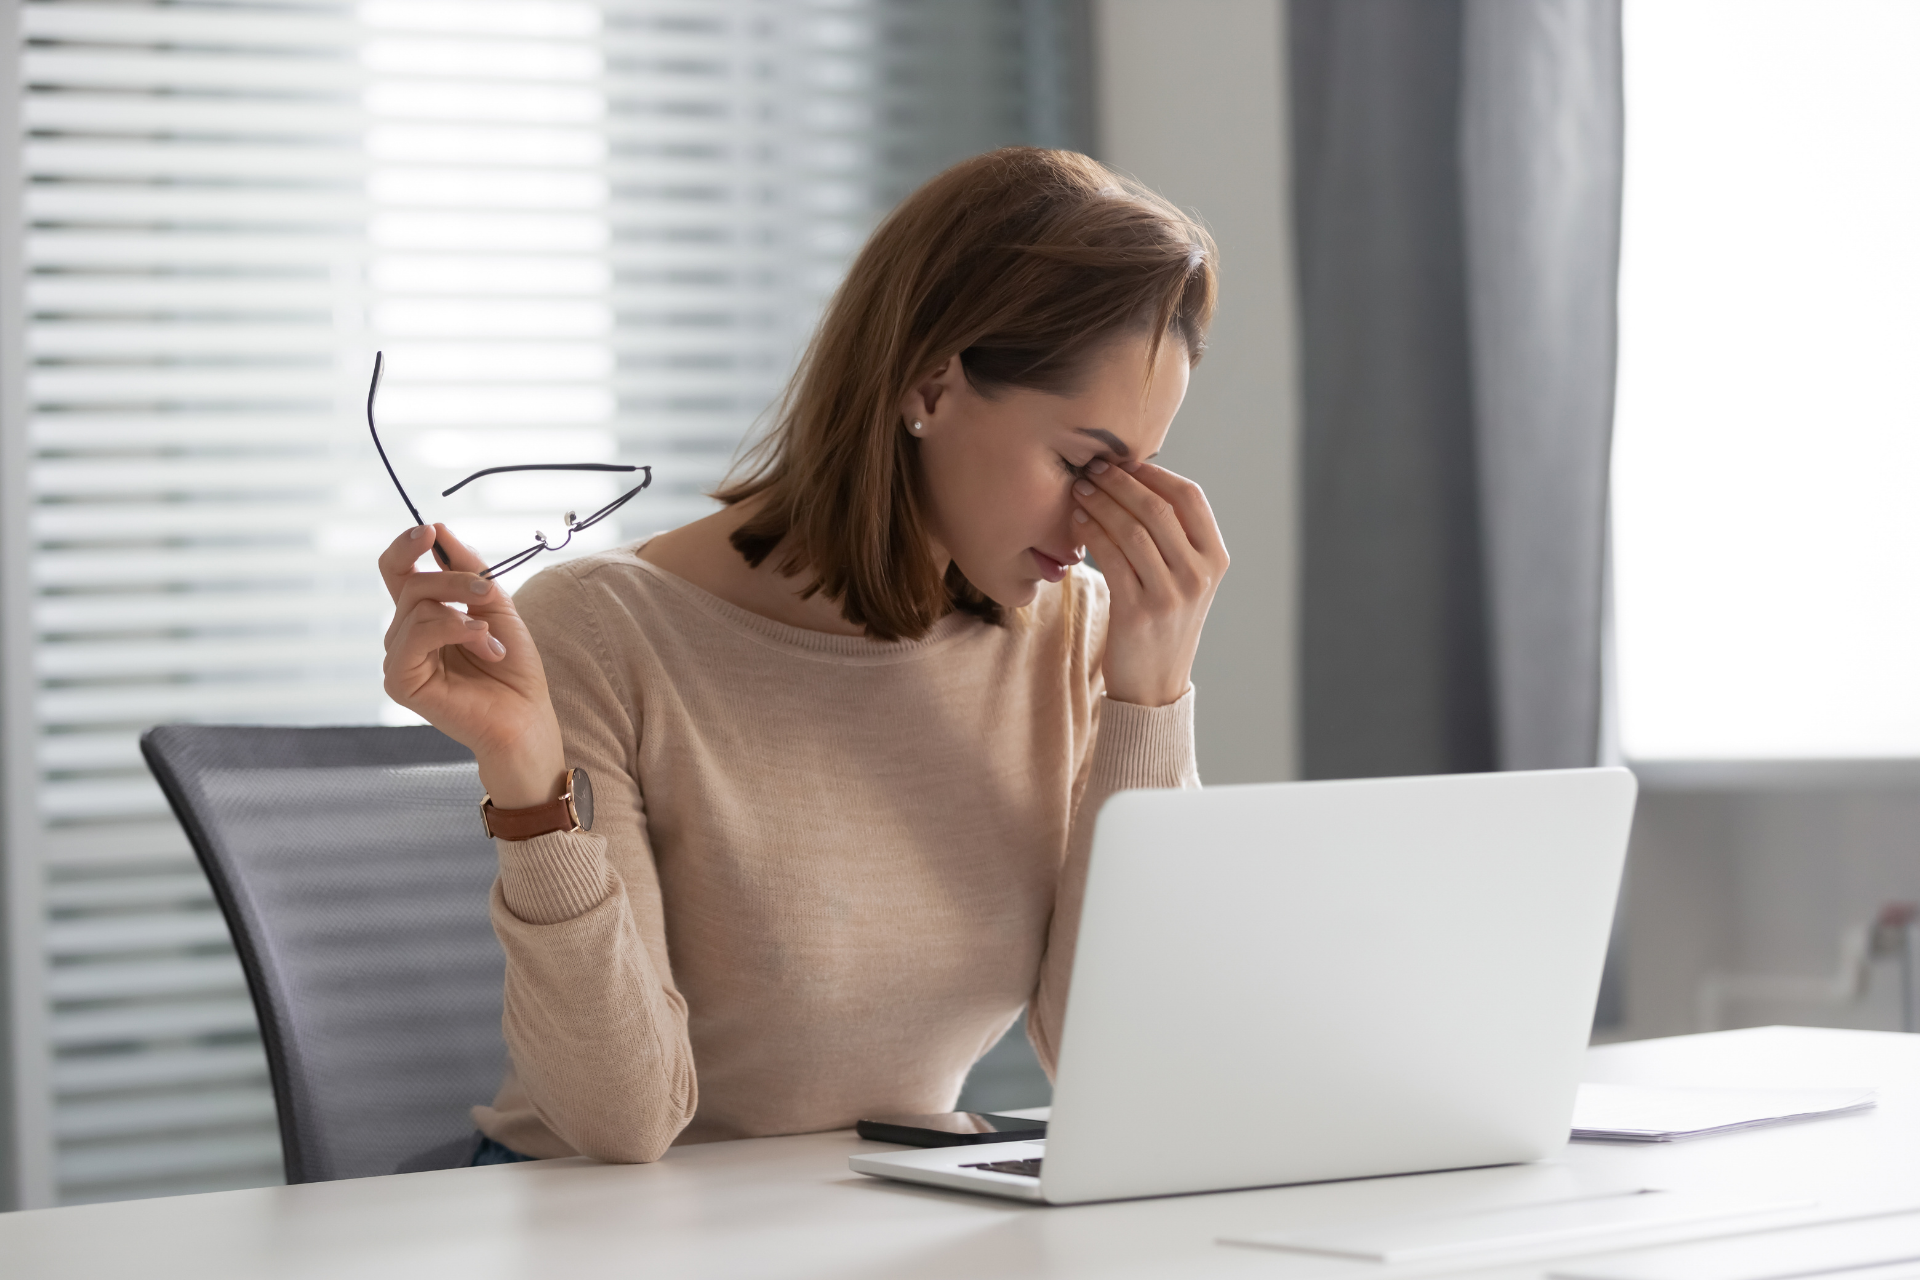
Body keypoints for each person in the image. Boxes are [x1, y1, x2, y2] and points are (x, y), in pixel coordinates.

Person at [376, 148, 1229, 1164]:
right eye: (1084, 463)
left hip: (864, 1210)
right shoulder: (609, 630)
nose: (1098, 522)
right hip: (600, 1223)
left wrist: (1150, 696)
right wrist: (526, 783)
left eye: (1138, 470)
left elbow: (1115, 1060)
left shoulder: (1074, 635)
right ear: (930, 383)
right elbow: (623, 1124)